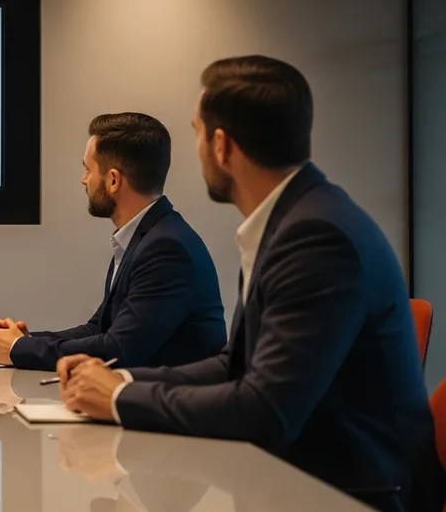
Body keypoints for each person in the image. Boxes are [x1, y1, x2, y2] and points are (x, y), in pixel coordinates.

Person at [59, 56, 444, 512]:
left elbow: (266, 412)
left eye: (197, 132)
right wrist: (119, 378)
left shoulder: (316, 238)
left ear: (221, 146)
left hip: (350, 495)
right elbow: (236, 364)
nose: (197, 148)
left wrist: (121, 397)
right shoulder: (293, 220)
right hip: (304, 479)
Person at [0, 113, 225, 371]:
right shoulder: (147, 235)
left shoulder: (165, 249)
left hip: (165, 406)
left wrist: (19, 349)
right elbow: (99, 328)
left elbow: (117, 350)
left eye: (88, 169)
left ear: (113, 180)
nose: (83, 180)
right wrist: (23, 340)